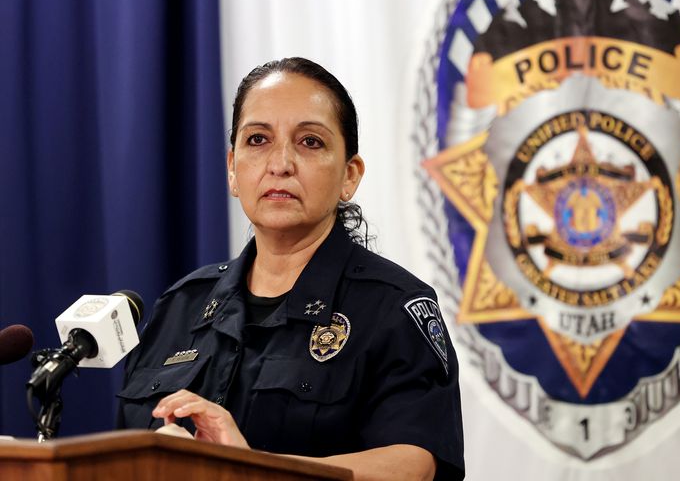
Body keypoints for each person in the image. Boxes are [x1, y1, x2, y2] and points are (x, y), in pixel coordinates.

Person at [117, 57, 465, 480]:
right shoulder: (180, 306)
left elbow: (415, 466)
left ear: (349, 176)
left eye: (310, 142)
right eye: (258, 139)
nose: (280, 163)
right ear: (232, 169)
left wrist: (249, 471)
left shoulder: (394, 308)